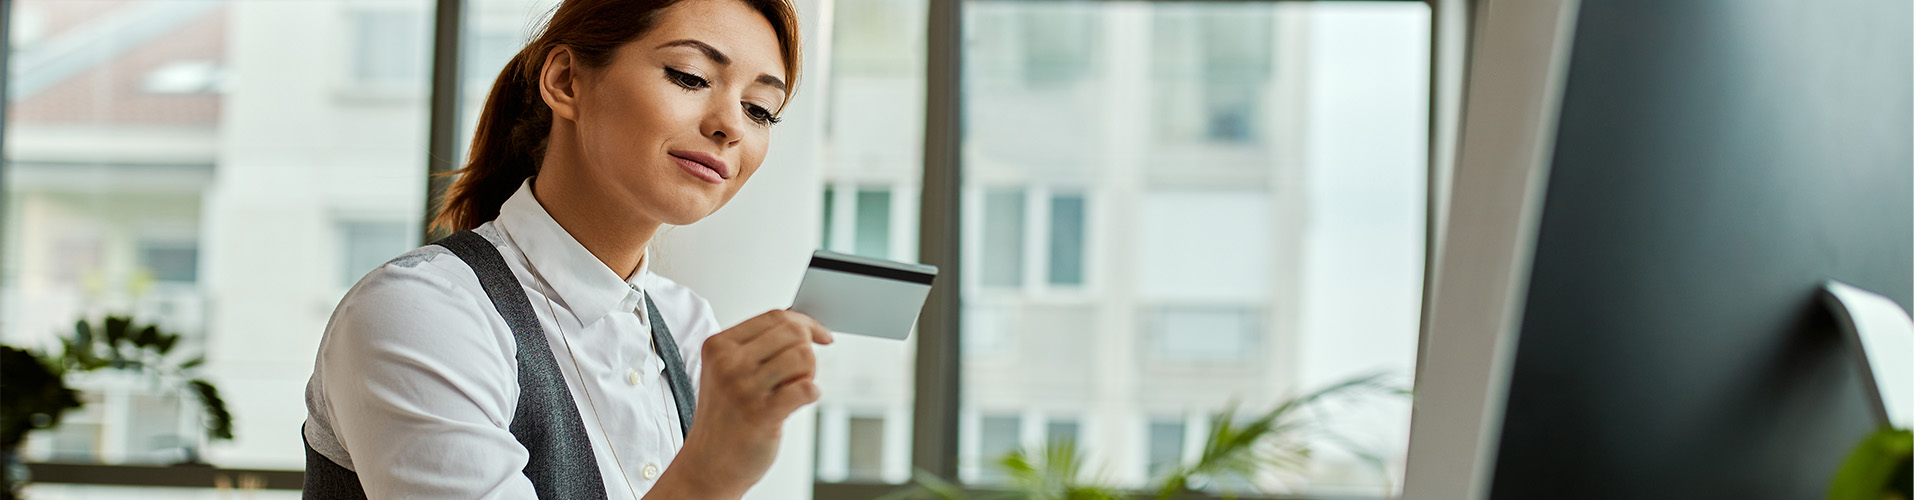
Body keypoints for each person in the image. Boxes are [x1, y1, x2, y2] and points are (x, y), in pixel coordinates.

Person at [300, 0, 828, 498]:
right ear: (565, 81)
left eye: (760, 109)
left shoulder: (688, 326)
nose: (731, 126)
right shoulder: (423, 312)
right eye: (690, 76)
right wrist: (711, 473)